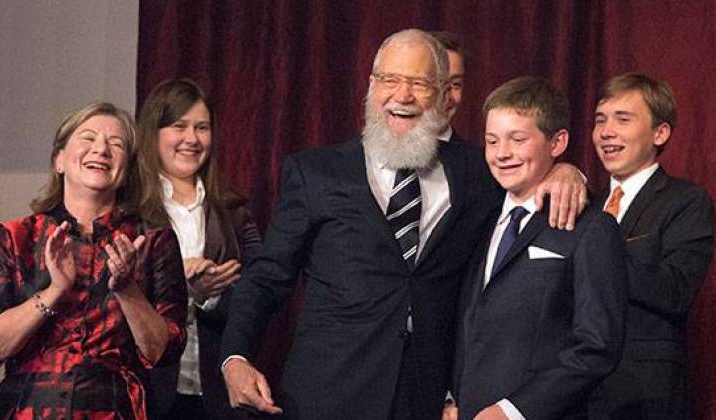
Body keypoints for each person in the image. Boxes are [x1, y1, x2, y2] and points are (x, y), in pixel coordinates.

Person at [219, 29, 586, 420]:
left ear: (445, 95)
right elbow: (268, 277)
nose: (402, 95)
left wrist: (566, 170)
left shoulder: (480, 172)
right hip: (325, 395)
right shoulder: (316, 173)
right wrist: (235, 356)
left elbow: (528, 175)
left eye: (419, 83)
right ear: (370, 86)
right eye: (389, 80)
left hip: (425, 400)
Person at [0, 103, 188, 419]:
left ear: (126, 168)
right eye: (88, 138)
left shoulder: (154, 241)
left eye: (116, 144)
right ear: (59, 159)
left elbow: (164, 351)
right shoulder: (17, 235)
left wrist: (127, 289)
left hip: (117, 408)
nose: (101, 149)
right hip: (27, 407)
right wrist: (54, 291)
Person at [449, 77, 627, 420]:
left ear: (557, 141)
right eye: (491, 141)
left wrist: (513, 411)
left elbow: (596, 347)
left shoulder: (591, 229)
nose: (502, 154)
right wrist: (449, 396)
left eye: (517, 140)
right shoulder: (477, 221)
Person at [587, 73, 714, 419]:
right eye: (600, 120)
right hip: (578, 392)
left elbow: (674, 290)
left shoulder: (686, 201)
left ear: (660, 133)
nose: (606, 131)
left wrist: (597, 255)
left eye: (623, 119)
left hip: (644, 395)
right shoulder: (583, 204)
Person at [135, 79, 262, 419]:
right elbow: (111, 298)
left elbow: (258, 293)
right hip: (145, 391)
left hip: (216, 393)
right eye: (179, 126)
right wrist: (182, 288)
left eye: (202, 128)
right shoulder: (129, 209)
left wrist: (210, 295)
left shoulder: (234, 210)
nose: (191, 139)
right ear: (154, 133)